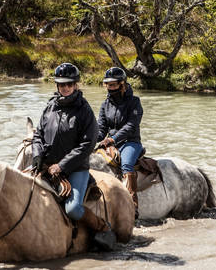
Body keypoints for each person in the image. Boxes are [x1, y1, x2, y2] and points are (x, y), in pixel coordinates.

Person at [31, 63, 116, 250]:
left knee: (73, 209)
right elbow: (38, 135)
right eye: (62, 85)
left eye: (69, 84)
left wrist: (61, 166)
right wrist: (36, 155)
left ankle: (102, 228)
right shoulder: (50, 107)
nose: (66, 88)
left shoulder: (84, 110)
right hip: (47, 164)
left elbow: (87, 145)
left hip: (76, 168)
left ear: (75, 85)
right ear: (57, 86)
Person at [96, 67, 143, 215]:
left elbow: (131, 125)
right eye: (108, 85)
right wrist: (89, 140)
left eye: (113, 85)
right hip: (111, 143)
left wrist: (113, 139)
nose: (110, 88)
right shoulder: (105, 105)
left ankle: (132, 205)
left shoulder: (135, 102)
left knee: (126, 164)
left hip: (131, 142)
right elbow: (101, 129)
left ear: (122, 84)